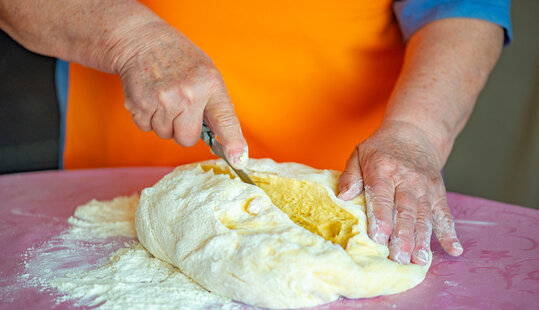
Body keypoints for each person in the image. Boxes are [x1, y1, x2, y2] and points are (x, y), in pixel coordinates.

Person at [0, 0, 511, 266]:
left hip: (347, 196)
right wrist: (130, 39)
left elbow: (465, 10)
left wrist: (414, 132)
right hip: (113, 186)